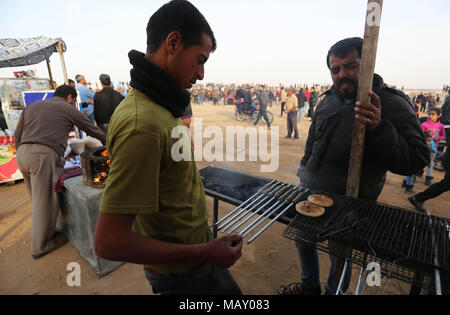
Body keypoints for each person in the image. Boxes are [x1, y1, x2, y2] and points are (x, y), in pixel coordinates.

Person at [94, 0, 243, 296]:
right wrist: (203, 252)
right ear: (173, 42)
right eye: (200, 59)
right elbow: (109, 242)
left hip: (197, 262)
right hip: (185, 278)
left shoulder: (162, 104)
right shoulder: (143, 124)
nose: (201, 74)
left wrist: (204, 242)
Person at [278, 37, 429, 296]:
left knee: (340, 255)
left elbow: (417, 159)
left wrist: (379, 128)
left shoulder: (392, 103)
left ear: (367, 64)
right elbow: (313, 142)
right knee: (303, 238)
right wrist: (304, 173)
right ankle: (309, 286)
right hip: (313, 192)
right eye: (335, 70)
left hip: (354, 202)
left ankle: (332, 292)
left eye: (350, 66)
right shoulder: (328, 100)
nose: (342, 75)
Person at [14, 85, 106, 259]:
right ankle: (40, 246)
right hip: (42, 156)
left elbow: (17, 135)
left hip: (22, 154)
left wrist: (23, 152)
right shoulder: (67, 108)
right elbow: (92, 129)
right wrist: (109, 143)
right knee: (45, 201)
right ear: (70, 97)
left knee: (37, 197)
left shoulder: (32, 107)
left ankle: (49, 231)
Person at [420, 107, 446, 186]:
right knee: (421, 161)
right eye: (429, 114)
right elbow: (419, 135)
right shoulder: (424, 125)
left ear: (438, 116)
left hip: (433, 148)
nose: (430, 116)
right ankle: (418, 172)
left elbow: (443, 136)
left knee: (430, 163)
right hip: (423, 147)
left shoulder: (441, 126)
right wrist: (426, 138)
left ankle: (428, 177)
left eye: (433, 114)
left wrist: (437, 138)